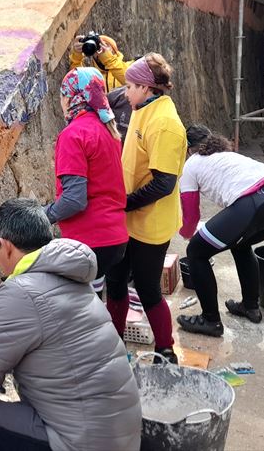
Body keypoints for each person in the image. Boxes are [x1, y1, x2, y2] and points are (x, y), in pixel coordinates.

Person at [0, 198, 141, 451]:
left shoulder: (22, 292)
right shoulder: (71, 278)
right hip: (118, 435)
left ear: (6, 246)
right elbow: (33, 347)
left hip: (80, 442)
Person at [105, 53, 186, 364]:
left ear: (146, 87)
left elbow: (164, 184)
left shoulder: (165, 123)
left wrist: (124, 203)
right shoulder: (142, 107)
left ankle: (165, 350)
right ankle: (113, 347)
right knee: (115, 281)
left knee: (149, 288)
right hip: (127, 217)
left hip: (150, 222)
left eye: (129, 87)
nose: (125, 93)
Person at [175, 125, 264, 337]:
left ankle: (210, 320)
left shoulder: (191, 165)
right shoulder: (227, 155)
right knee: (241, 244)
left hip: (252, 202)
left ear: (188, 148)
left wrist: (186, 233)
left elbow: (191, 215)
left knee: (196, 252)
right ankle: (250, 306)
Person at [45, 67, 128, 297]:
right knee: (93, 303)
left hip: (88, 240)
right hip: (115, 237)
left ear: (72, 97)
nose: (60, 102)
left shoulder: (73, 134)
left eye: (62, 95)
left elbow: (74, 200)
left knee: (74, 315)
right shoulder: (108, 130)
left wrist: (41, 216)